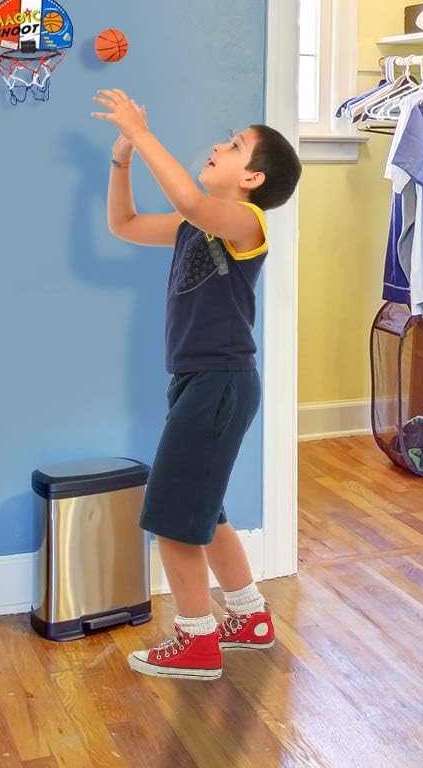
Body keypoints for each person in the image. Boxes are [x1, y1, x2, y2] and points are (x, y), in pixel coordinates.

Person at [92, 88, 302, 681]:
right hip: (199, 382)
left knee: (172, 517)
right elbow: (124, 224)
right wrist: (121, 158)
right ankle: (249, 616)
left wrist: (141, 132)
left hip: (220, 383)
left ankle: (195, 641)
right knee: (205, 511)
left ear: (253, 179)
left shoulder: (246, 222)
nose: (218, 145)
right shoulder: (193, 226)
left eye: (234, 146)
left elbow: (188, 196)